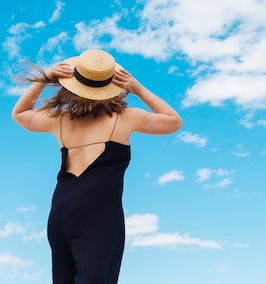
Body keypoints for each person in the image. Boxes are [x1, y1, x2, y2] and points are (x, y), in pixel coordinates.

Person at [11, 49, 182, 284]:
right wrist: (138, 89)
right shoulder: (126, 117)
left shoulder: (59, 119)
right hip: (98, 216)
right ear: (111, 85)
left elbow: (20, 113)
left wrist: (44, 79)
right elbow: (173, 121)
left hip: (61, 211)